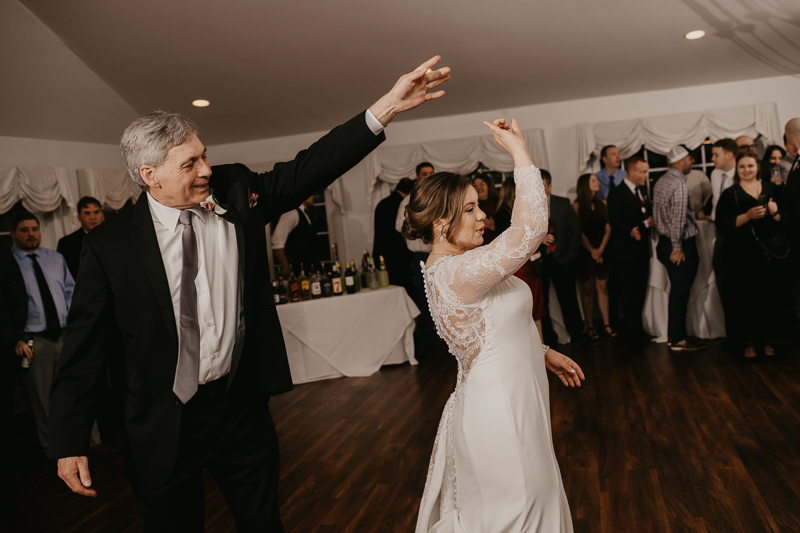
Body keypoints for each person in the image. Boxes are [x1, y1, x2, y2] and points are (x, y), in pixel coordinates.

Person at [48, 56, 451, 532]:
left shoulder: (237, 190)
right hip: (161, 422)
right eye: (190, 163)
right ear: (149, 174)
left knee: (263, 523)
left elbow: (309, 169)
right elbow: (84, 346)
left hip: (238, 408)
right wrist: (70, 439)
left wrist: (385, 108)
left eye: (204, 155)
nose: (206, 170)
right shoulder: (109, 245)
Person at [407, 118, 582, 533]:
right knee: (520, 510)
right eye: (470, 209)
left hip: (517, 395)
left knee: (533, 501)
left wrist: (544, 352)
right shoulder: (454, 272)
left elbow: (489, 331)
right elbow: (531, 231)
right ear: (441, 223)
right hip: (500, 409)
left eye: (478, 205)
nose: (483, 215)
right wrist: (520, 153)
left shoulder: (467, 268)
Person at [714, 151, 794, 357]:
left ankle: (768, 341)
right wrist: (746, 216)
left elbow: (786, 220)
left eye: (750, 166)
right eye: (742, 166)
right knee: (745, 300)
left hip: (769, 255)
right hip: (742, 256)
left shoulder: (771, 189)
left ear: (757, 167)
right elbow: (722, 225)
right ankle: (748, 343)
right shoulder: (729, 194)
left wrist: (776, 213)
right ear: (737, 169)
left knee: (769, 298)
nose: (746, 170)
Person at [10, 212, 74, 450]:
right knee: (43, 401)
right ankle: (55, 450)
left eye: (34, 229)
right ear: (14, 234)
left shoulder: (54, 258)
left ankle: (90, 441)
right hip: (34, 342)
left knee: (74, 391)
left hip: (65, 335)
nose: (31, 234)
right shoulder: (8, 263)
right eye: (24, 230)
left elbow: (71, 292)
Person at [653, 146, 705, 351]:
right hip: (679, 244)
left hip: (664, 242)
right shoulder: (680, 186)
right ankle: (677, 338)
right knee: (680, 292)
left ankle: (677, 336)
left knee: (678, 291)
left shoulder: (661, 181)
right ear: (681, 161)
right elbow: (677, 220)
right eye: (690, 159)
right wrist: (678, 247)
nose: (692, 163)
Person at [607, 157, 653, 343]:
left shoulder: (641, 191)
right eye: (643, 172)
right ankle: (633, 330)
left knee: (640, 289)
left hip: (641, 249)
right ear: (631, 172)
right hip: (625, 252)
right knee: (629, 291)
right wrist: (631, 230)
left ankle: (639, 328)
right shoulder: (617, 193)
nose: (646, 175)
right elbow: (613, 220)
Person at [494, 179, 546, 341]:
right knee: (525, 307)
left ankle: (541, 347)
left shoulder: (517, 212)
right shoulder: (503, 214)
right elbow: (510, 242)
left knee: (535, 307)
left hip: (528, 265)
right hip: (519, 267)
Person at [537, 170, 585, 345]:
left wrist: (569, 256)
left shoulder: (563, 203)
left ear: (549, 185)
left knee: (569, 299)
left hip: (561, 258)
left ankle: (578, 335)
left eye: (542, 186)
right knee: (543, 302)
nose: (539, 191)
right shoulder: (529, 206)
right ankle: (550, 339)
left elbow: (576, 230)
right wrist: (539, 240)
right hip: (540, 261)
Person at [396, 161, 436, 350]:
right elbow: (399, 226)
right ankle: (423, 343)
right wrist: (421, 228)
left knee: (444, 297)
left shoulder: (439, 197)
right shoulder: (408, 201)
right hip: (421, 256)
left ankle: (445, 340)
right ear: (418, 176)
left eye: (431, 173)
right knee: (426, 298)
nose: (427, 176)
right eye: (424, 173)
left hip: (442, 255)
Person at [573, 173, 614, 340]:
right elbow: (578, 231)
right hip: (585, 252)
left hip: (602, 251)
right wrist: (592, 251)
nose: (597, 182)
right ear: (584, 185)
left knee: (603, 288)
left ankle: (607, 324)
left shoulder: (602, 203)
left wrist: (600, 250)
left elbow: (608, 228)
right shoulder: (576, 206)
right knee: (588, 289)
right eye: (593, 180)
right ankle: (590, 325)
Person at [0, 247, 28, 496]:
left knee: (4, 419)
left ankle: (10, 476)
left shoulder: (2, 254)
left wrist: (12, 336)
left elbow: (17, 296)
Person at [373, 178, 415, 294]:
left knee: (389, 290)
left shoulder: (382, 203)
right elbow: (401, 231)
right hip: (397, 255)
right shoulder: (403, 205)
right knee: (404, 290)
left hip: (382, 253)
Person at [57, 196, 105, 279]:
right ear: (79, 218)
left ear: (102, 215)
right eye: (87, 213)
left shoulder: (115, 239)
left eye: (96, 212)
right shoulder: (66, 244)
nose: (93, 217)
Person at [272, 194, 317, 276]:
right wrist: (285, 266)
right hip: (297, 268)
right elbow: (277, 241)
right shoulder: (292, 213)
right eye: (311, 194)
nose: (314, 196)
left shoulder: (306, 213)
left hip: (307, 266)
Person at [710, 138, 738, 221]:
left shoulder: (741, 175)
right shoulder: (715, 173)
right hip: (717, 221)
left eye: (716, 155)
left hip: (735, 222)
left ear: (729, 156)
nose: (712, 159)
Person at [472, 174, 499, 243]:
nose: (479, 187)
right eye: (475, 185)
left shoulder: (499, 203)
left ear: (489, 185)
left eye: (482, 184)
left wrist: (494, 227)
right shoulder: (471, 206)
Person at [684, 152, 712, 220]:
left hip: (698, 218)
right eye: (690, 159)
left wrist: (702, 210)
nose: (693, 161)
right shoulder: (670, 180)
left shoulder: (699, 175)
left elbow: (709, 195)